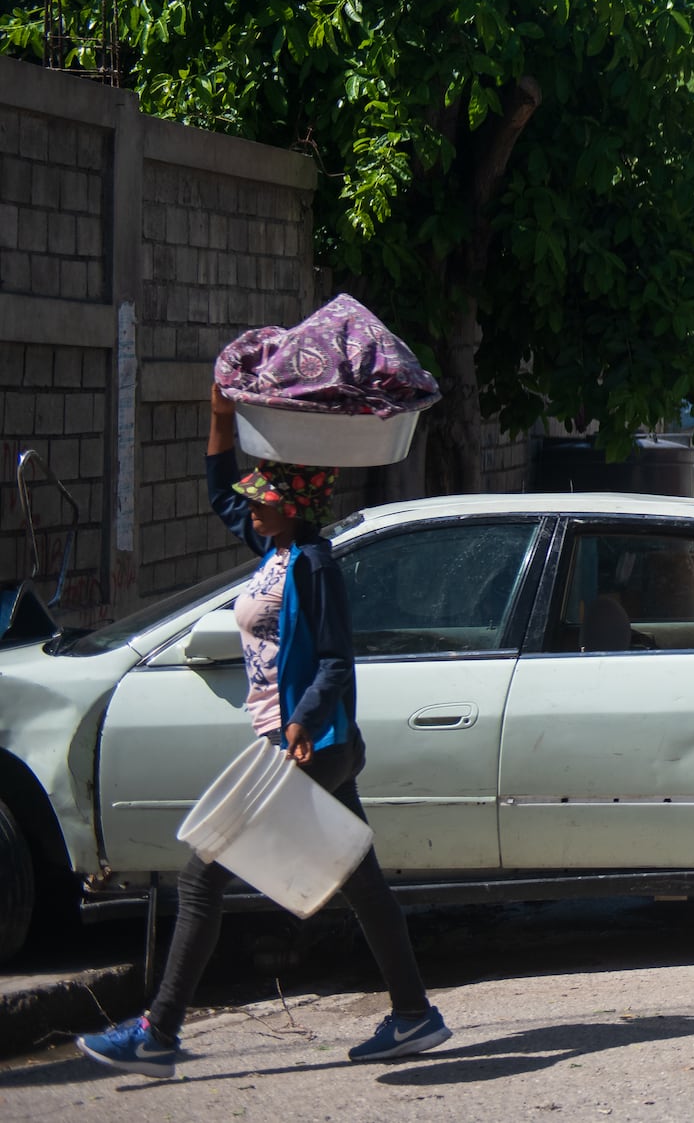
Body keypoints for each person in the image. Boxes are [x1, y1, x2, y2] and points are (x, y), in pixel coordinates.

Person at [78, 387, 451, 1078]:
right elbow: (221, 491)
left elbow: (338, 660)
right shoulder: (274, 548)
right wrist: (220, 417)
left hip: (308, 746)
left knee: (201, 876)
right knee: (362, 881)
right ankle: (412, 1013)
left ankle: (158, 1032)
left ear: (292, 506)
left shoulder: (314, 563)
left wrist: (304, 719)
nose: (249, 506)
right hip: (310, 745)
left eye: (263, 498)